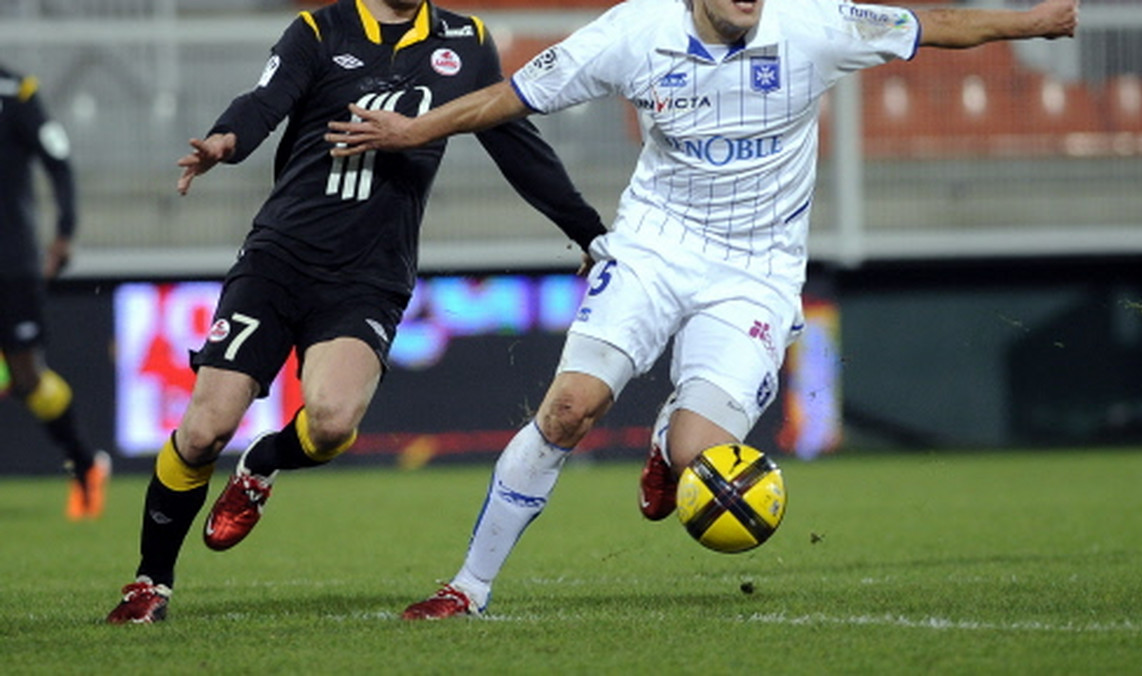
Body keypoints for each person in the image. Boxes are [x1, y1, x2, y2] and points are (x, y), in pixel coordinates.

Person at [326, 0, 1080, 619]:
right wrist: (414, 130)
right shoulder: (634, 33)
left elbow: (933, 25)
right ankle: (469, 587)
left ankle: (665, 448)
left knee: (698, 460)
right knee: (566, 413)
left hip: (755, 277)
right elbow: (512, 96)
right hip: (654, 251)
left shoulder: (813, 27)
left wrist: (1032, 22)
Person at [104, 0, 606, 624]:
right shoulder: (322, 29)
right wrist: (226, 142)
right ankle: (150, 582)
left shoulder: (466, 41)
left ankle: (263, 462)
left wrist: (589, 232)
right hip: (279, 258)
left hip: (369, 274)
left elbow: (515, 145)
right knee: (205, 427)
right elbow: (264, 100)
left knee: (334, 423)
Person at [0, 63, 110, 522]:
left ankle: (86, 464)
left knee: (28, 378)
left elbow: (58, 160)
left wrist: (64, 231)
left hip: (11, 260)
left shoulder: (15, 91)